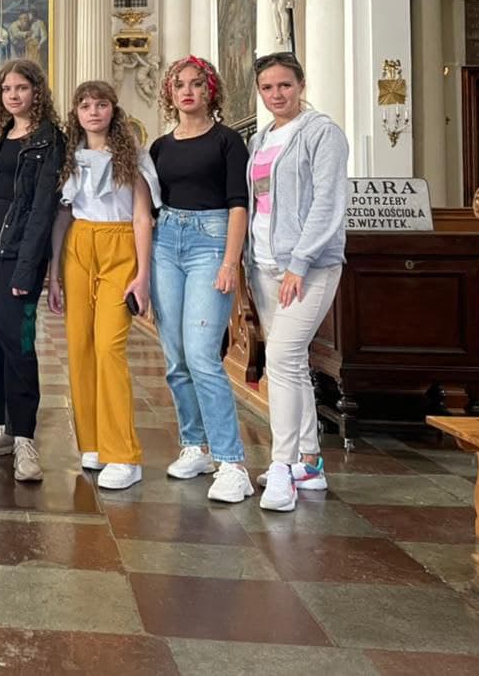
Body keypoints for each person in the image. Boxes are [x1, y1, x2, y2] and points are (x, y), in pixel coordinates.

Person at [149, 57, 254, 504]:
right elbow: (148, 208)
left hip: (211, 243)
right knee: (175, 355)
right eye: (179, 85)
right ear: (170, 94)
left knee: (201, 354)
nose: (187, 91)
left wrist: (231, 262)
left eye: (196, 84)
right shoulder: (159, 147)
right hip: (165, 243)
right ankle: (196, 446)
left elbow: (238, 204)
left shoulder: (227, 141)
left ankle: (232, 463)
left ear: (211, 90)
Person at [247, 52, 348, 512]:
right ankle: (309, 462)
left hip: (309, 267)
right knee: (292, 365)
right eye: (267, 87)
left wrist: (300, 262)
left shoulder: (322, 132)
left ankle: (282, 466)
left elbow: (328, 202)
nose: (277, 94)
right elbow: (258, 203)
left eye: (285, 85)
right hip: (264, 264)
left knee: (283, 358)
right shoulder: (261, 138)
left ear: (301, 85)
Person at [49, 81, 158, 491]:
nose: (93, 112)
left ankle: (124, 454)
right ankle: (93, 441)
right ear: (76, 113)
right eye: (85, 105)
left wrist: (143, 275)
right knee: (80, 345)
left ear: (113, 109)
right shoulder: (70, 157)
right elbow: (63, 216)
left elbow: (142, 217)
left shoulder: (134, 156)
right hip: (79, 245)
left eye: (100, 105)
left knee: (110, 347)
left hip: (120, 245)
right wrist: (54, 272)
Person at [0, 59, 65, 482]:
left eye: (21, 88)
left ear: (36, 92)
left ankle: (25, 437)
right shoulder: (0, 136)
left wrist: (28, 268)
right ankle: (5, 426)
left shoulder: (50, 140)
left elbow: (43, 208)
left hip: (19, 254)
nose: (13, 95)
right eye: (7, 89)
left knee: (18, 341)